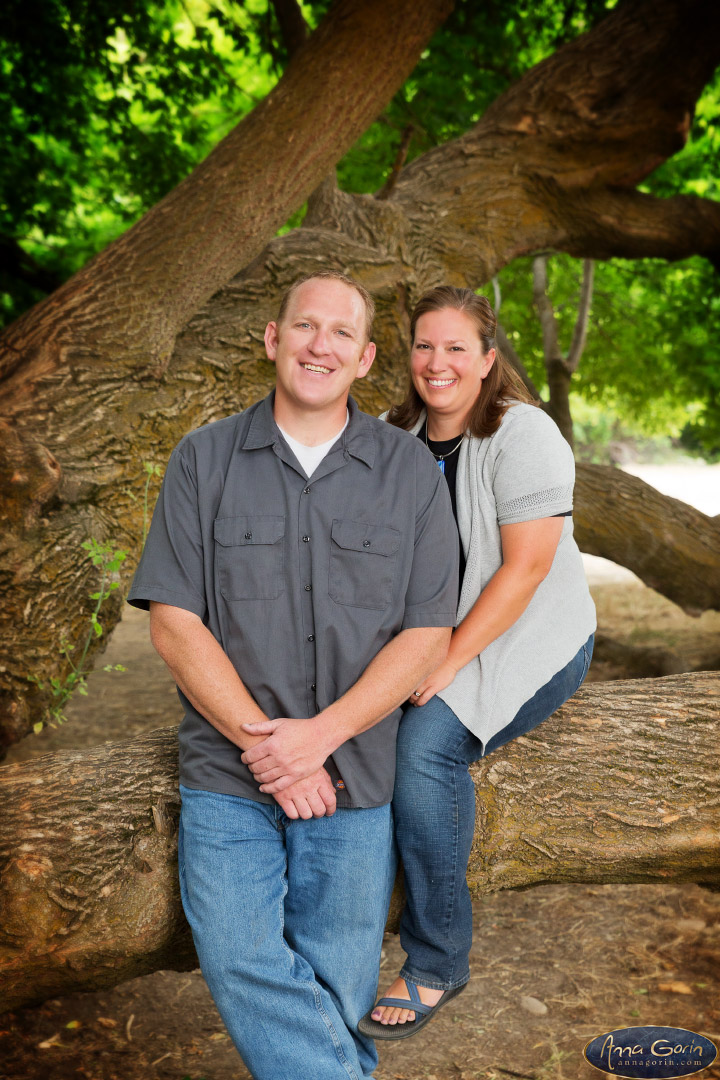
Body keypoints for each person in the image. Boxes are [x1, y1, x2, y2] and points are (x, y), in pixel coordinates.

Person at [127, 271, 459, 1080]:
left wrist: (320, 739)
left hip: (356, 773)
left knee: (340, 986)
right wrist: (268, 748)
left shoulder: (409, 472)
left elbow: (426, 634)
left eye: (341, 333)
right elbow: (174, 622)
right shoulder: (203, 459)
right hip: (228, 775)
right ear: (273, 339)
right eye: (305, 327)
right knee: (239, 953)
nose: (321, 344)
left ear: (366, 355)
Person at [358, 285, 596, 1041]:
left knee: (422, 750)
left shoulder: (524, 435)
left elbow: (525, 571)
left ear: (489, 359)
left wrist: (445, 664)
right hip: (427, 630)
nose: (438, 362)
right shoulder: (392, 434)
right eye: (425, 346)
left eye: (457, 347)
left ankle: (437, 958)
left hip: (530, 633)